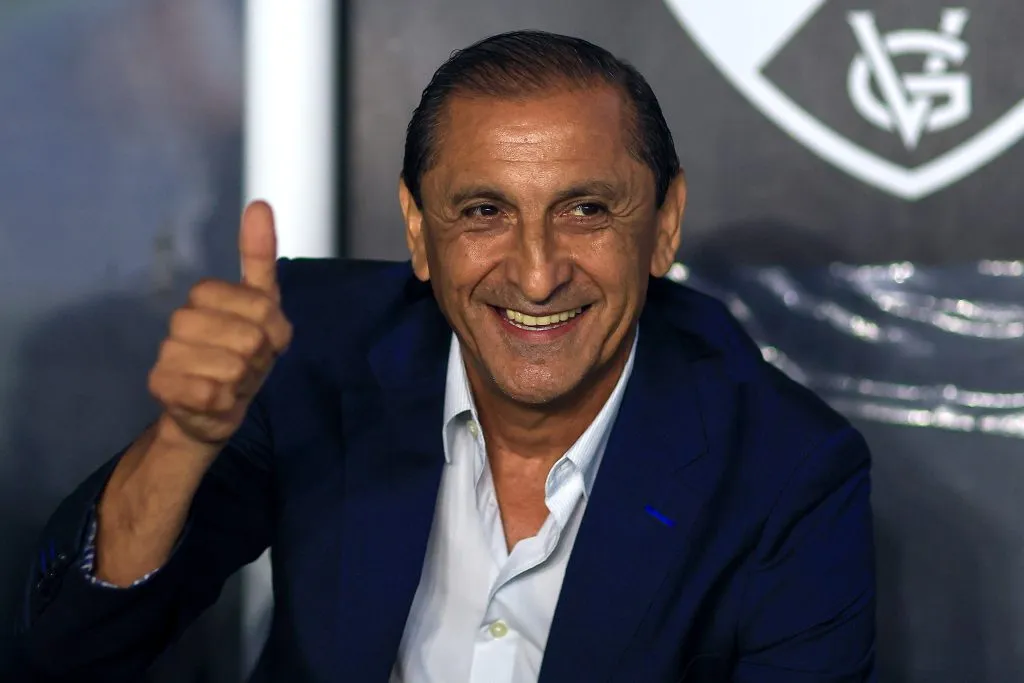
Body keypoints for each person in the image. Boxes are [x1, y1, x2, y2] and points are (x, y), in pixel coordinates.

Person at [17, 31, 876, 682]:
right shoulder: (316, 348)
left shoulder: (786, 469)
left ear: (664, 224)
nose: (537, 275)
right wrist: (185, 438)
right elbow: (71, 651)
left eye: (584, 209)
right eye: (483, 213)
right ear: (419, 232)